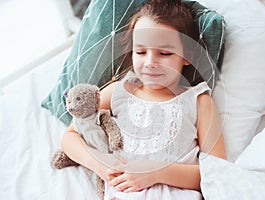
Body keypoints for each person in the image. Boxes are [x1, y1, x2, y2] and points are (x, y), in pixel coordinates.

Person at [61, 0, 226, 199]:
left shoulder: (198, 102)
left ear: (186, 56)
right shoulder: (119, 91)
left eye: (164, 53)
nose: (150, 63)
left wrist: (156, 172)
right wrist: (101, 166)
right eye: (140, 52)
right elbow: (69, 138)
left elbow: (218, 172)